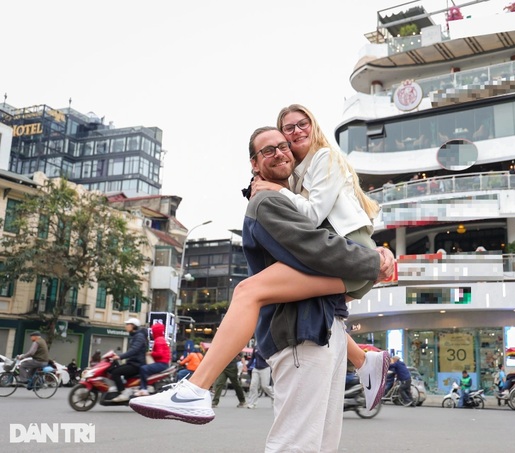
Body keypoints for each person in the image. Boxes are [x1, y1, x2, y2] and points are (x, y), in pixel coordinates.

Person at [131, 126, 393, 451]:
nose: (280, 152)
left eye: (284, 147)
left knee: (315, 445)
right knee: (297, 444)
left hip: (321, 328)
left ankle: (196, 389)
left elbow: (328, 244)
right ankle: (195, 389)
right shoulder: (267, 201)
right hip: (300, 331)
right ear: (254, 164)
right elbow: (316, 248)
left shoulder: (299, 201)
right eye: (268, 150)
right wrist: (372, 262)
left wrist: (374, 258)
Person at [250, 103, 391, 410]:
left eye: (303, 124)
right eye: (290, 128)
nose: (297, 131)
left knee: (251, 291)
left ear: (313, 127)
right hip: (344, 253)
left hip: (349, 251)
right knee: (320, 307)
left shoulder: (324, 157)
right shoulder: (300, 173)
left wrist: (274, 190)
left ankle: (198, 385)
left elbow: (312, 216)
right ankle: (366, 361)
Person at [110, 318, 147, 402]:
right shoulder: (135, 336)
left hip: (137, 364)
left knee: (115, 372)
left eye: (128, 324)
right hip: (133, 362)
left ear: (133, 326)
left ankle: (123, 393)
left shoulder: (139, 336)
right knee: (114, 369)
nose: (126, 326)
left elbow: (134, 350)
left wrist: (120, 357)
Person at [135, 322, 170, 397]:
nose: (151, 333)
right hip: (162, 363)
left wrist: (150, 353)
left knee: (143, 369)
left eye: (152, 331)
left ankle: (143, 388)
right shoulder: (161, 339)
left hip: (161, 363)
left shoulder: (158, 340)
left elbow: (159, 354)